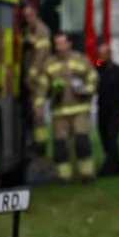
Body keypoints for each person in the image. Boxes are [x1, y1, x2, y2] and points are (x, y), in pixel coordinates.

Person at [36, 32, 98, 182]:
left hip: (80, 110)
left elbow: (93, 77)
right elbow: (42, 86)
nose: (59, 47)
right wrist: (39, 105)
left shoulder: (80, 60)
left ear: (69, 44)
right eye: (57, 44)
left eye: (62, 43)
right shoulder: (50, 63)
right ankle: (64, 176)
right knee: (60, 146)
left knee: (82, 142)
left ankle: (87, 174)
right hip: (59, 111)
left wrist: (85, 90)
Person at [96, 43, 119, 176]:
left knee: (112, 138)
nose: (101, 56)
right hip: (102, 110)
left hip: (117, 110)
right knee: (104, 138)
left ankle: (107, 169)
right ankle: (118, 167)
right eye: (100, 54)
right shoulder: (98, 70)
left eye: (103, 53)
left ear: (110, 54)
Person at [22, 5, 51, 162]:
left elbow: (41, 55)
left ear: (36, 14)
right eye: (26, 16)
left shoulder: (42, 30)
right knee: (33, 112)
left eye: (30, 15)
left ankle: (41, 146)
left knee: (38, 112)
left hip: (39, 79)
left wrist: (32, 73)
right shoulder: (29, 30)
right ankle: (36, 142)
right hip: (32, 79)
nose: (28, 19)